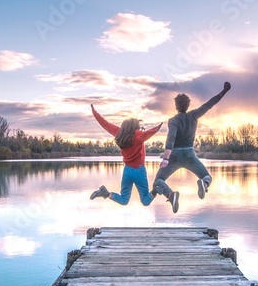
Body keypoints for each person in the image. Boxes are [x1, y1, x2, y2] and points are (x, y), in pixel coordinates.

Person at [152, 81, 231, 212]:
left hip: (174, 156)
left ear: (176, 106)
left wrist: (166, 158)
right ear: (188, 105)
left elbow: (171, 138)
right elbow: (209, 104)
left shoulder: (173, 120)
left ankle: (171, 195)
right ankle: (204, 185)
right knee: (207, 177)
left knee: (158, 180)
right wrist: (224, 91)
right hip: (190, 155)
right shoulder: (194, 115)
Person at [88, 104, 163, 208]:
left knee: (124, 200)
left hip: (127, 171)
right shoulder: (138, 136)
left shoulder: (119, 133)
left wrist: (94, 112)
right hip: (139, 171)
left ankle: (106, 194)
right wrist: (157, 128)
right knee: (145, 201)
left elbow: (105, 124)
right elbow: (147, 134)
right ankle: (155, 191)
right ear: (135, 127)